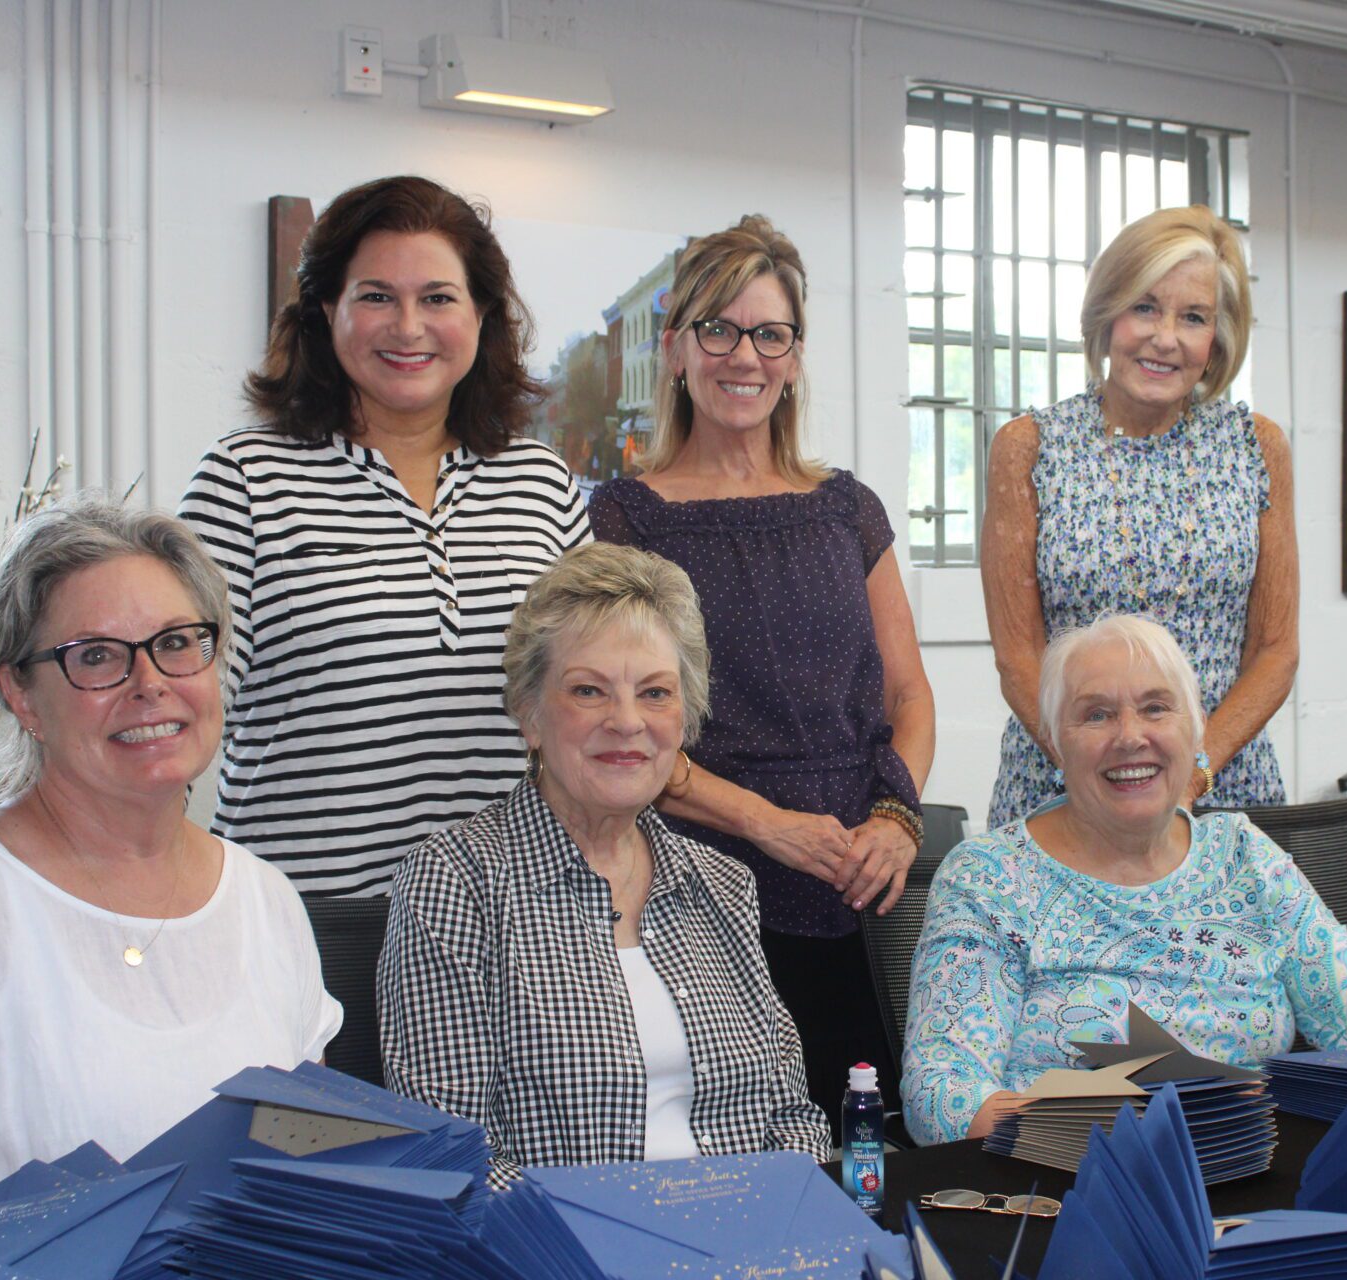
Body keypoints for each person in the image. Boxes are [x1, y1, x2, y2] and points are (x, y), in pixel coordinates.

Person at [0, 496, 341, 1231]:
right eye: (96, 656)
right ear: (21, 693)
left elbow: (315, 1195)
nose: (149, 683)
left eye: (176, 642)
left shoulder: (266, 901)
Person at [901, 615, 1347, 1147]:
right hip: (1074, 1185)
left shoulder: (1244, 857)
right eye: (1096, 714)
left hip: (1250, 1170)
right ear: (1056, 744)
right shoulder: (990, 879)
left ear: (1195, 733)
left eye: (1156, 707)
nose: (1130, 736)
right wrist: (1119, 1130)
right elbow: (941, 1093)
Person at [586, 215, 933, 1123]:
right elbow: (625, 733)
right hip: (703, 891)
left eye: (770, 334)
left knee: (869, 1142)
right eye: (720, 330)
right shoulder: (626, 520)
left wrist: (898, 822)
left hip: (859, 888)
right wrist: (768, 825)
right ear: (675, 350)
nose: (745, 356)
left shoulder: (848, 508)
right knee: (733, 1141)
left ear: (795, 356)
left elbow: (908, 694)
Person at [180, 175, 589, 898]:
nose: (407, 327)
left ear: (481, 313)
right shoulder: (245, 480)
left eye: (437, 298)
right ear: (326, 310)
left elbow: (592, 697)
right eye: (376, 297)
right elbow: (174, 705)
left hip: (509, 920)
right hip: (307, 921)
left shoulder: (541, 483)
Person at [376, 543, 829, 1183]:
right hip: (558, 1236)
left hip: (750, 1226)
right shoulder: (454, 882)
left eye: (655, 693)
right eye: (589, 691)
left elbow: (793, 1117)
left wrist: (772, 1215)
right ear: (529, 715)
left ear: (684, 720)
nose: (627, 722)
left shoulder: (723, 884)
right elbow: (453, 1160)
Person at [982, 205, 1294, 827]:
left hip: (1221, 786)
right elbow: (1019, 657)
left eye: (1194, 317)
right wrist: (1108, 775)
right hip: (1064, 785)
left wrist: (1188, 776)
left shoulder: (1257, 446)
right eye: (1145, 307)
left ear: (1218, 338)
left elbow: (1275, 650)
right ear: (1106, 316)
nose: (1166, 338)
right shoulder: (1029, 446)